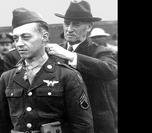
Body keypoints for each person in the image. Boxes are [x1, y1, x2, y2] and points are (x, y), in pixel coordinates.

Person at [0, 7, 94, 133]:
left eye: (26, 37)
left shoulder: (67, 75)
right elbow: (0, 125)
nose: (19, 43)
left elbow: (82, 125)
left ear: (44, 37)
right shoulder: (7, 78)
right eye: (16, 38)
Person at [46, 1, 118, 133]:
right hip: (62, 124)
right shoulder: (55, 52)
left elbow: (111, 70)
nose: (69, 29)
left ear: (89, 26)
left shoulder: (100, 51)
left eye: (76, 24)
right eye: (67, 23)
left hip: (94, 124)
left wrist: (70, 56)